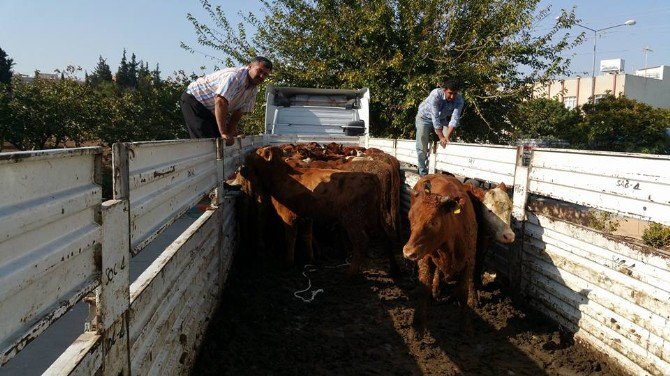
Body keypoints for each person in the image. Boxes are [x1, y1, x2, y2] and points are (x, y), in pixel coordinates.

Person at [180, 56, 273, 146]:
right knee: (205, 141)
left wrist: (230, 132)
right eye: (259, 71)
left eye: (265, 74)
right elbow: (220, 102)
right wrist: (224, 132)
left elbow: (239, 112)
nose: (261, 76)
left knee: (219, 139)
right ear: (250, 66)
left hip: (211, 110)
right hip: (195, 100)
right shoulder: (235, 77)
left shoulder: (253, 90)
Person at [415, 80, 464, 176]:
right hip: (424, 118)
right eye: (450, 93)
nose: (452, 97)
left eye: (455, 94)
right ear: (444, 90)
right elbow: (435, 117)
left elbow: (454, 119)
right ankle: (422, 173)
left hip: (442, 119)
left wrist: (446, 137)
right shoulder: (436, 94)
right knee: (422, 146)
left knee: (448, 143)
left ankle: (445, 172)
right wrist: (441, 137)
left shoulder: (459, 100)